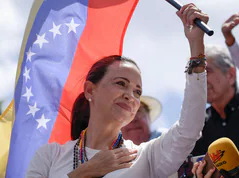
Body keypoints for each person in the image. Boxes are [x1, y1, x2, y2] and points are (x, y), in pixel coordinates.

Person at [26, 3, 209, 178]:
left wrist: (196, 46)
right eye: (121, 83)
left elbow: (189, 129)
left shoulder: (145, 157)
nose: (130, 96)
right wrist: (85, 172)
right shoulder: (50, 156)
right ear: (90, 90)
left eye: (137, 92)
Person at [191, 8, 239, 178]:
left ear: (230, 75)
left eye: (207, 71)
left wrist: (230, 40)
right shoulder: (198, 126)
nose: (201, 80)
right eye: (197, 75)